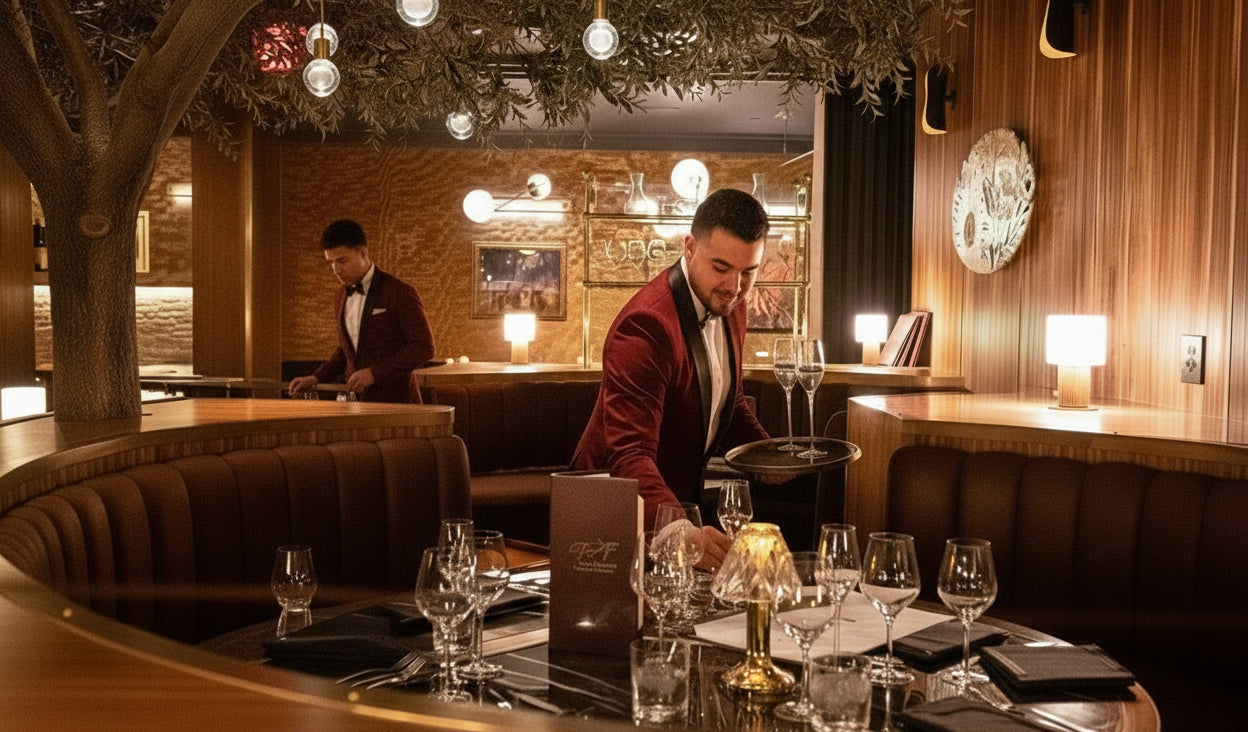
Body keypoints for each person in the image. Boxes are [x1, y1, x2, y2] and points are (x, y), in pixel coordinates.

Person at [571, 189, 772, 569]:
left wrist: (768, 457)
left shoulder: (731, 305)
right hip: (611, 510)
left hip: (675, 503)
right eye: (721, 267)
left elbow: (728, 398)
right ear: (690, 246)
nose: (734, 286)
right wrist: (681, 531)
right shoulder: (645, 326)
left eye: (749, 272)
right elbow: (629, 454)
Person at [289, 219, 435, 402]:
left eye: (342, 261)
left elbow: (424, 348)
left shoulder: (399, 292)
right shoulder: (340, 296)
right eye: (331, 262)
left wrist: (375, 374)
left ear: (363, 253)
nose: (336, 270)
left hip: (397, 402)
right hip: (355, 403)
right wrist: (316, 377)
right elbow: (347, 351)